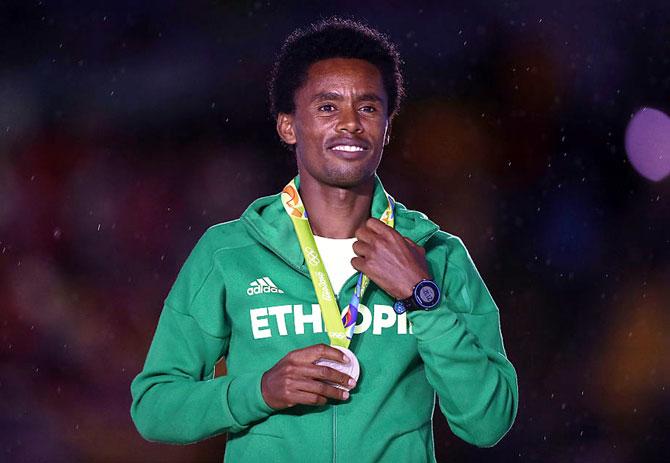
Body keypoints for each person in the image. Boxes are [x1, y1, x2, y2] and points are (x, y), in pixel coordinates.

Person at [130, 17, 518, 462]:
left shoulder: (437, 255)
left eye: (369, 108)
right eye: (328, 107)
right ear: (288, 126)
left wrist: (423, 299)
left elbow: (487, 422)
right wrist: (260, 391)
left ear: (387, 128)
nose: (351, 124)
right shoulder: (229, 253)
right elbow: (154, 408)